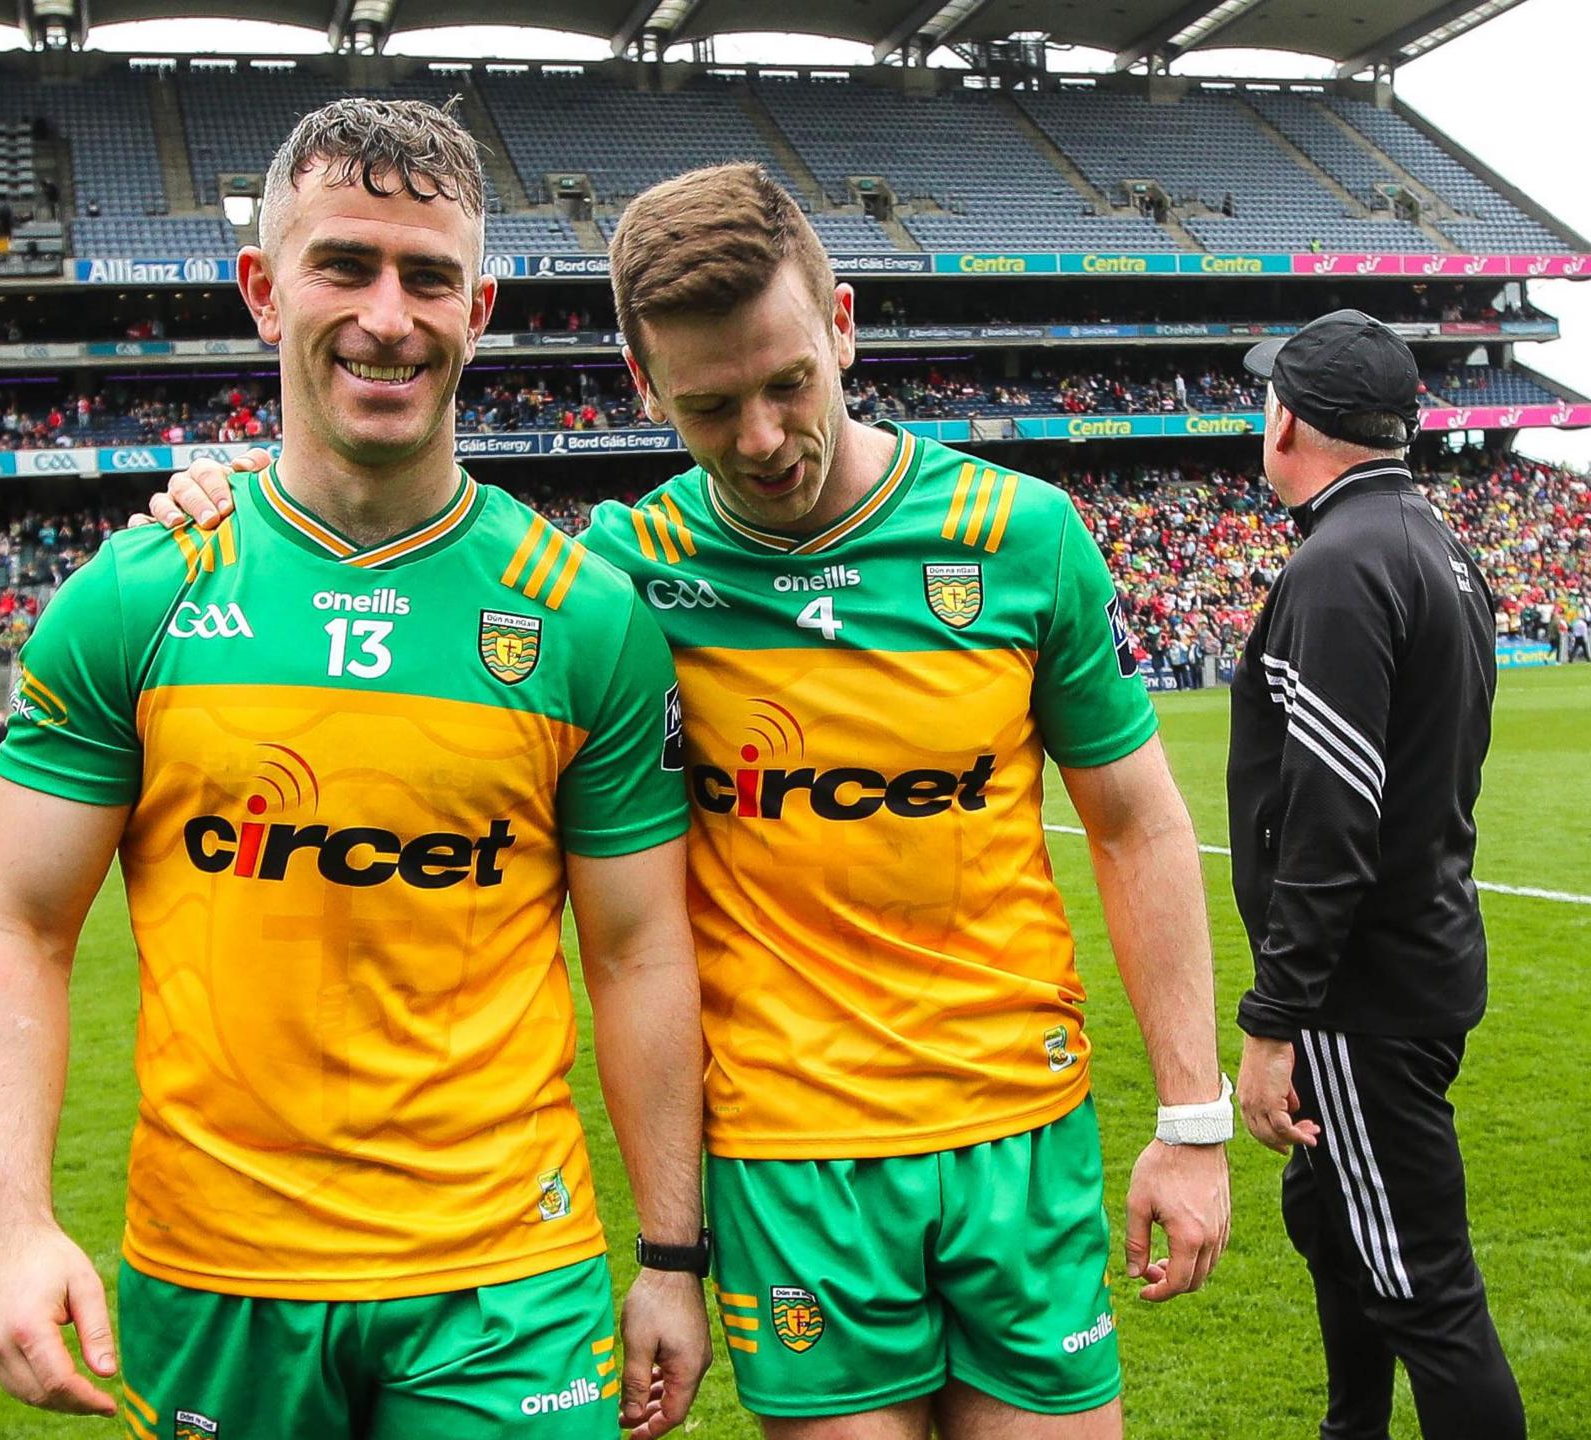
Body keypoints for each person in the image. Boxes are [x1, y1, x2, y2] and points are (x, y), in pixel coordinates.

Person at [149, 160, 1231, 1440]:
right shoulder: (620, 578)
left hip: (1021, 1129)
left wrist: (1191, 1116)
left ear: (840, 327)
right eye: (711, 407)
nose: (763, 441)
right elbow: (402, 566)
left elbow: (1138, 823)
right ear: (640, 382)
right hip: (783, 1158)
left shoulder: (1019, 535)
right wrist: (221, 504)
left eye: (789, 385)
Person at [0, 99, 712, 1440]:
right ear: (262, 289)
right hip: (213, 1276)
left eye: (428, 278)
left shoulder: (582, 614)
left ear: (480, 308)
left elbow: (641, 952)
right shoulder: (137, 597)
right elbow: (16, 922)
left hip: (505, 1279)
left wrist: (667, 1257)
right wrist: (11, 1227)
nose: (388, 315)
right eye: (343, 265)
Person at [1230, 310, 1524, 1440]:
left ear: (1292, 419)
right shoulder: (1435, 542)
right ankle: (1350, 1427)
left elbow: (1329, 824)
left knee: (1424, 1289)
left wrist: (1274, 1021)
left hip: (1363, 996)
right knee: (1332, 1215)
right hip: (1423, 957)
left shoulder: (1340, 564)